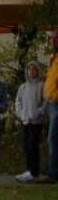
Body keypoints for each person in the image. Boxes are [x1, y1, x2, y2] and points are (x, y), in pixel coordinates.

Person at [14, 61, 45, 183]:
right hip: (26, 121)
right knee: (27, 146)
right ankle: (29, 170)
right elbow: (18, 103)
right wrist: (22, 115)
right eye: (30, 69)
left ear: (38, 71)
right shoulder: (23, 87)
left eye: (34, 69)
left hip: (37, 122)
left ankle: (34, 171)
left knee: (33, 145)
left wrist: (38, 112)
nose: (32, 71)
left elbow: (46, 103)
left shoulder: (42, 86)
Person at [46, 29, 58, 184]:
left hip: (56, 103)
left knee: (53, 139)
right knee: (53, 139)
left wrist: (54, 97)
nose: (52, 42)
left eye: (55, 39)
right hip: (50, 104)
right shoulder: (54, 59)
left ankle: (53, 174)